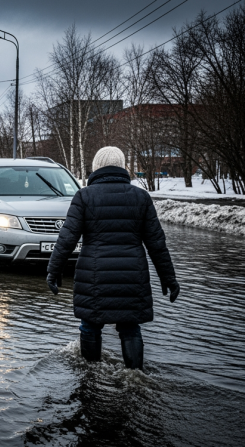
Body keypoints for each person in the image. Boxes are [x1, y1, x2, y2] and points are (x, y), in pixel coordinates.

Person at [46, 146, 180, 371]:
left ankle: (90, 376)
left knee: (90, 325)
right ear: (122, 166)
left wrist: (53, 269)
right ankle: (135, 377)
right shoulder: (141, 197)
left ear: (96, 167)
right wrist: (169, 278)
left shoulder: (84, 196)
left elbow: (67, 238)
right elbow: (157, 243)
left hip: (94, 275)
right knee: (130, 327)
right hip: (132, 276)